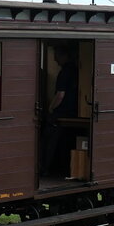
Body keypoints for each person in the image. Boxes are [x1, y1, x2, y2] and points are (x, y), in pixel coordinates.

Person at [41, 46, 80, 176]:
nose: (55, 60)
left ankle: (44, 169)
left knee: (49, 139)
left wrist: (51, 108)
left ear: (63, 56)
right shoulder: (76, 70)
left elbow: (60, 95)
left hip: (62, 112)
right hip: (74, 112)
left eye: (56, 57)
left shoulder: (64, 72)